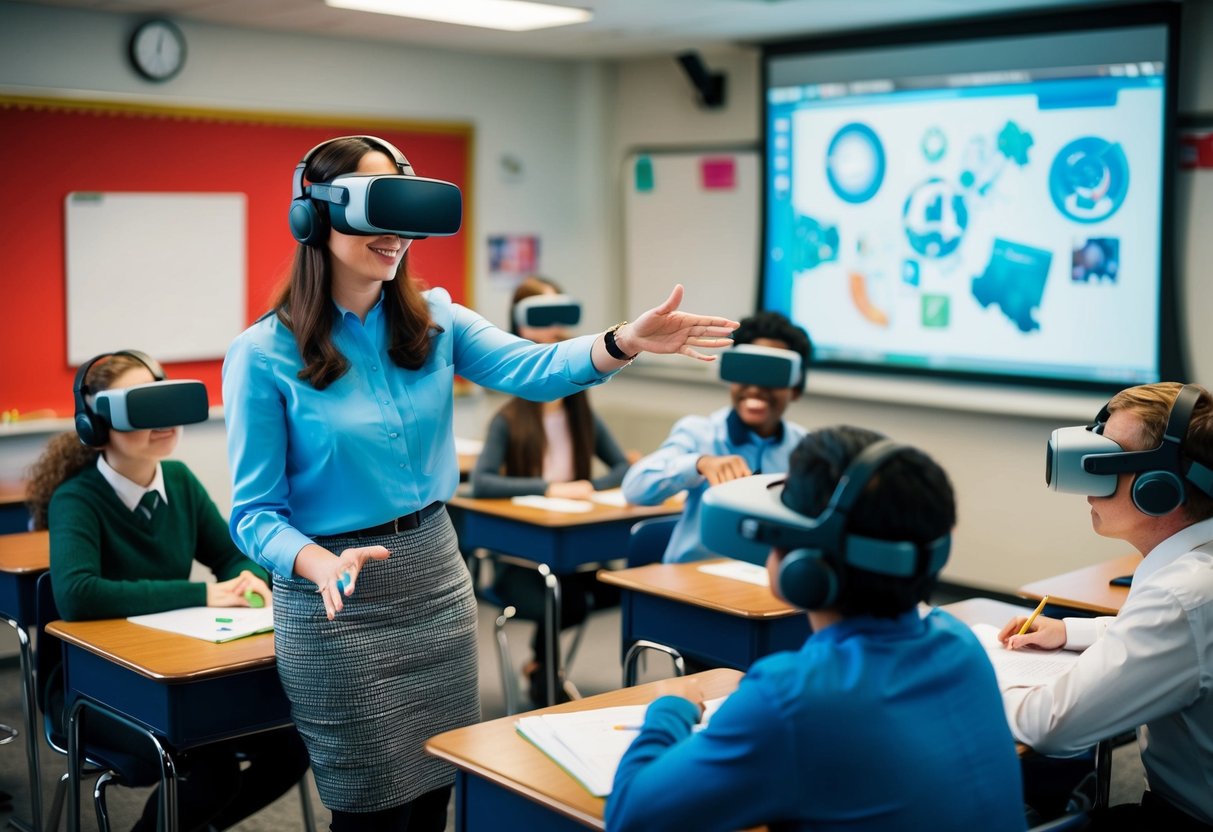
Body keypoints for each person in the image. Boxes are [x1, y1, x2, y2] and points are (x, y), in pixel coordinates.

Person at [221, 135, 738, 832]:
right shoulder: (262, 354)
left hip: (433, 580)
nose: (397, 235)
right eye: (379, 211)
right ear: (314, 216)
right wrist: (318, 564)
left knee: (438, 789)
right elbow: (253, 514)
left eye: (407, 214)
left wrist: (623, 342)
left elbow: (537, 369)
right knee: (370, 807)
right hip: (336, 605)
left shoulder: (436, 321)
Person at [605, 425, 1026, 832]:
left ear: (805, 566)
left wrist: (671, 708)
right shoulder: (960, 644)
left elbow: (632, 815)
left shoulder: (792, 697)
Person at [25, 350, 310, 832]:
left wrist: (246, 577)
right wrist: (201, 595)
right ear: (97, 423)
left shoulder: (178, 481)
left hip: (174, 673)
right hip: (95, 687)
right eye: (142, 408)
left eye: (165, 403)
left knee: (293, 745)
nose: (163, 422)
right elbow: (78, 595)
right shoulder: (78, 498)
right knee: (210, 768)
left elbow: (231, 555)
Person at [998, 381, 1213, 830]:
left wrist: (977, 677)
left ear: (1160, 487)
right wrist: (1069, 632)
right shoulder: (1194, 577)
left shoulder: (1181, 597)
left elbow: (1051, 727)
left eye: (1106, 461)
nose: (1086, 480)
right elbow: (1188, 642)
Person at [470, 276, 630, 707]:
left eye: (559, 317)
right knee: (562, 597)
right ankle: (544, 676)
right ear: (519, 329)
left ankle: (542, 670)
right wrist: (552, 488)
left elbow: (622, 467)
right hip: (521, 561)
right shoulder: (509, 416)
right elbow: (482, 483)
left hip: (572, 550)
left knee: (615, 589)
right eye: (540, 318)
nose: (553, 329)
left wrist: (587, 489)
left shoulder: (580, 409)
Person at [621, 309, 812, 563]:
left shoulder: (804, 448)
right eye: (746, 370)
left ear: (795, 388)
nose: (756, 387)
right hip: (691, 585)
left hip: (763, 587)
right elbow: (634, 488)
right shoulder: (700, 433)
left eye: (772, 373)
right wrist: (698, 463)